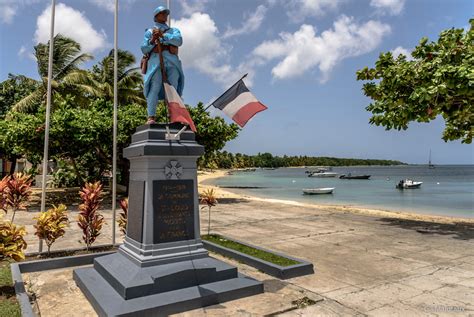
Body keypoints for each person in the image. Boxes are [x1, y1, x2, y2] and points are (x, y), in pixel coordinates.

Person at [141, 6, 184, 124]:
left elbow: (179, 41)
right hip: (155, 62)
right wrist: (152, 40)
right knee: (154, 87)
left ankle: (174, 116)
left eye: (166, 13)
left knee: (172, 89)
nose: (165, 15)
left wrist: (163, 36)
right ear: (156, 16)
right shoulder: (149, 32)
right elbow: (144, 49)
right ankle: (151, 117)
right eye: (162, 13)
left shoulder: (173, 30)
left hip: (172, 62)